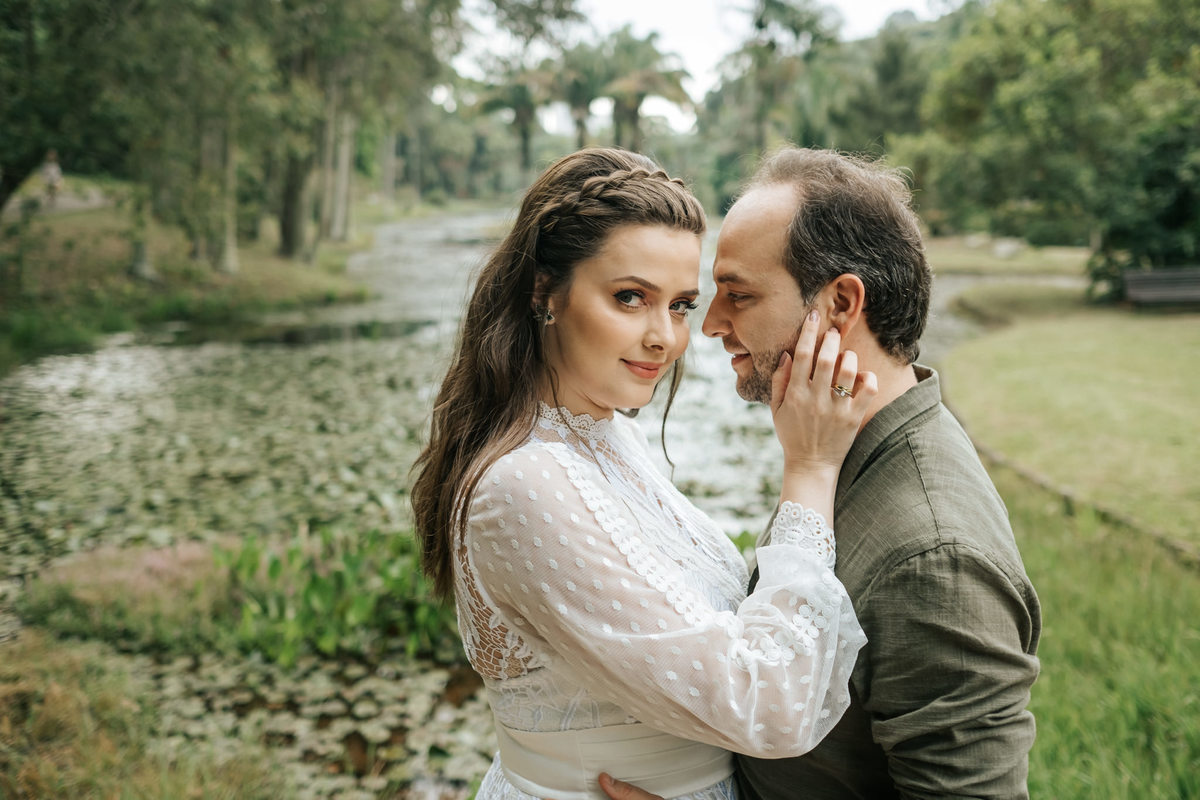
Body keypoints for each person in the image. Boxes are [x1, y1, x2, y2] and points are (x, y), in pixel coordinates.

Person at [411, 147, 879, 800]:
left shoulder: (607, 436)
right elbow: (771, 705)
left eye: (682, 305)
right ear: (545, 290)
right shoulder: (522, 486)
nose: (665, 337)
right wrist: (810, 467)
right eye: (630, 297)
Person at [599, 148, 1042, 800]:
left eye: (739, 295)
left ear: (838, 303)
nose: (713, 324)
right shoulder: (837, 449)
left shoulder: (934, 558)